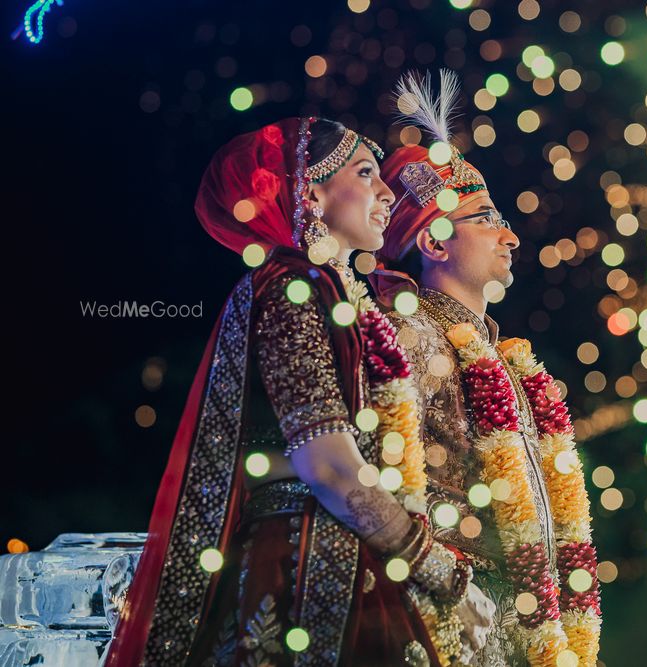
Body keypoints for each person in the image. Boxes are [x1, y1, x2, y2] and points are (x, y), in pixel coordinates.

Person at [102, 116, 493, 667]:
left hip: (349, 551)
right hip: (303, 563)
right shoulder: (295, 285)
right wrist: (437, 569)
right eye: (365, 173)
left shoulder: (334, 292)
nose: (386, 192)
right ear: (311, 192)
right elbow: (327, 465)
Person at [372, 71, 603, 667]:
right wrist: (440, 579)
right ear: (434, 244)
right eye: (485, 218)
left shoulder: (508, 359)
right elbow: (377, 485)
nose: (511, 236)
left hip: (529, 627)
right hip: (455, 626)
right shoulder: (408, 336)